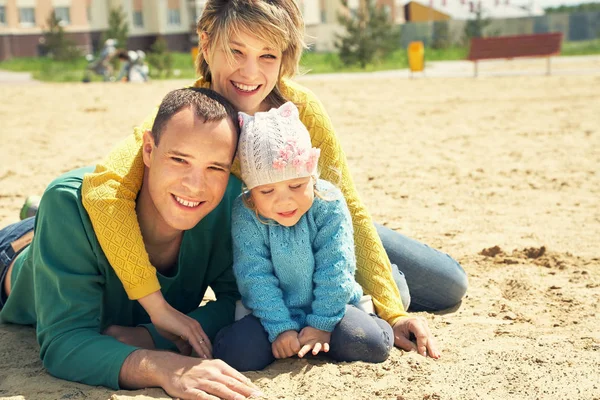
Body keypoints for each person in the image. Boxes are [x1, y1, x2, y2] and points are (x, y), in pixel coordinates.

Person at [81, 0, 466, 359]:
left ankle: (384, 286)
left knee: (448, 285)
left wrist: (395, 314)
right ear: (206, 42)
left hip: (321, 227)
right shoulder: (190, 117)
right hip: (259, 251)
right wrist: (156, 307)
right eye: (236, 51)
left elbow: (346, 204)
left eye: (268, 55)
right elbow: (103, 189)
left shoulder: (302, 111)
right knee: (384, 293)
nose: (251, 73)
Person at [0, 87, 262, 400]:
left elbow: (240, 299)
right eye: (179, 160)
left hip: (76, 223)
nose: (195, 185)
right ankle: (37, 220)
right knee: (57, 210)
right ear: (148, 149)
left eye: (215, 167)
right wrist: (159, 365)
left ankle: (35, 214)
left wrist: (148, 337)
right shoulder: (70, 205)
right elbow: (63, 342)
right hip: (14, 257)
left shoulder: (229, 202)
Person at [213, 102, 394, 371]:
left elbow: (336, 267)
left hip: (333, 307)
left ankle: (385, 301)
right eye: (266, 191)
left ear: (312, 176)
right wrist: (280, 328)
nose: (284, 201)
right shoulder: (246, 210)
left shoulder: (329, 201)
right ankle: (290, 335)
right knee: (236, 354)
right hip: (272, 311)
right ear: (251, 191)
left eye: (296, 185)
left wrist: (321, 324)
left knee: (368, 343)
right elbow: (254, 274)